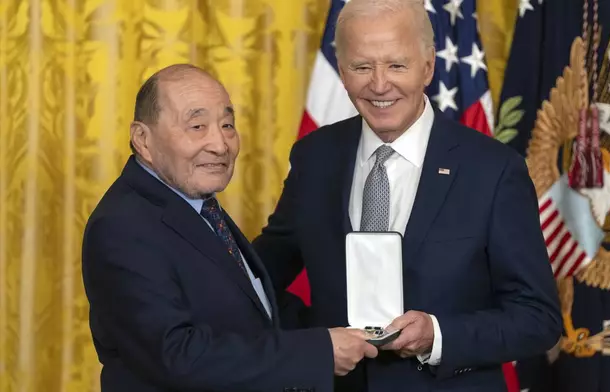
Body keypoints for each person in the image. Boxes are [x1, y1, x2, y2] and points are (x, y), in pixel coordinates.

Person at [253, 0, 562, 391]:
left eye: (397, 65)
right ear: (342, 72)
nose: (380, 84)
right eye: (362, 66)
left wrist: (437, 335)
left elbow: (538, 318)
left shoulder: (494, 171)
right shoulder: (315, 157)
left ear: (428, 66)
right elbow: (260, 277)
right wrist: (315, 339)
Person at [81, 64, 377, 392]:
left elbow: (251, 308)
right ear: (143, 140)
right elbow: (177, 356)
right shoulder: (123, 227)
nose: (221, 145)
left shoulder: (198, 204)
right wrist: (320, 351)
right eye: (197, 126)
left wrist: (363, 331)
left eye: (227, 125)